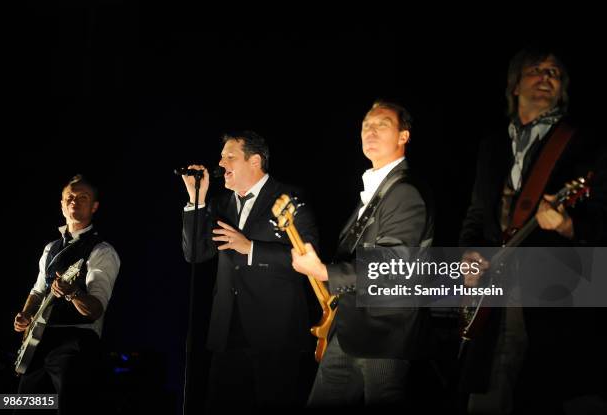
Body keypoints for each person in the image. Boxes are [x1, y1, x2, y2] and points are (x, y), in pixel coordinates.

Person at [459, 46, 607, 414]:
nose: (546, 77)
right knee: (487, 394)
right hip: (495, 298)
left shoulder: (585, 144)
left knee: (548, 393)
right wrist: (470, 253)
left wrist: (571, 225)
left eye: (554, 73)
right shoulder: (491, 146)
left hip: (560, 301)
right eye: (536, 70)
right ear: (514, 86)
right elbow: (477, 215)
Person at [290, 100, 434, 407]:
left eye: (382, 124)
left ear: (403, 136)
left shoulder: (405, 191)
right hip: (350, 329)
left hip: (385, 334)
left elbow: (392, 265)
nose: (371, 130)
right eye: (366, 124)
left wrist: (325, 272)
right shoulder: (378, 189)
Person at [181, 131, 319, 410]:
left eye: (229, 157)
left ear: (255, 161)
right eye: (221, 157)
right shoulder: (220, 204)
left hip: (275, 334)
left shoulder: (288, 197)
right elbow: (195, 254)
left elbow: (308, 256)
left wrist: (251, 248)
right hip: (227, 330)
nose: (220, 164)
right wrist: (197, 200)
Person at [13, 174, 120, 415]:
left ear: (94, 207)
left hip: (76, 344)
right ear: (62, 204)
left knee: (70, 407)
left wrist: (72, 293)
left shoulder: (102, 250)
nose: (74, 201)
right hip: (40, 342)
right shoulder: (50, 248)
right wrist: (26, 314)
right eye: (69, 197)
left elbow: (95, 310)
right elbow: (38, 289)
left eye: (83, 197)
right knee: (18, 406)